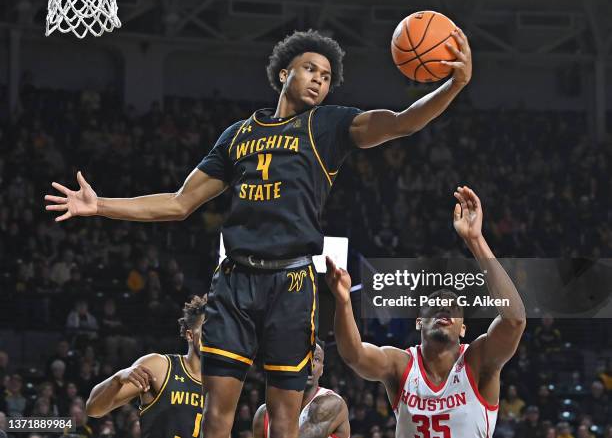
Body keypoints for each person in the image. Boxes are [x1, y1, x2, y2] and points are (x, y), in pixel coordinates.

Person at [45, 29, 472, 438]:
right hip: (234, 283)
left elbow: (400, 122)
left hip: (291, 283)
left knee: (284, 424)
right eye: (310, 69)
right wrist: (99, 205)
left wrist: (453, 85)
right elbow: (179, 203)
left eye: (326, 77)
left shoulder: (327, 126)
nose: (319, 81)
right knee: (216, 418)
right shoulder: (238, 136)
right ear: (285, 73)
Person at [326, 186, 526, 438]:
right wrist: (343, 302)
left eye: (454, 308)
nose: (445, 307)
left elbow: (515, 320)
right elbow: (354, 355)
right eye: (435, 305)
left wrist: (475, 240)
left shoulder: (478, 361)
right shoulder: (401, 365)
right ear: (419, 322)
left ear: (463, 329)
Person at [85, 296, 206, 438]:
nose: (215, 337)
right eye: (207, 330)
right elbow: (94, 409)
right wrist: (117, 378)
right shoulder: (160, 367)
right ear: (190, 335)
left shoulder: (222, 385)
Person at [252, 342, 349, 438]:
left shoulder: (332, 403)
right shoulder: (264, 413)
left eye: (316, 359)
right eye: (304, 357)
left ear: (322, 369)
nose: (310, 364)